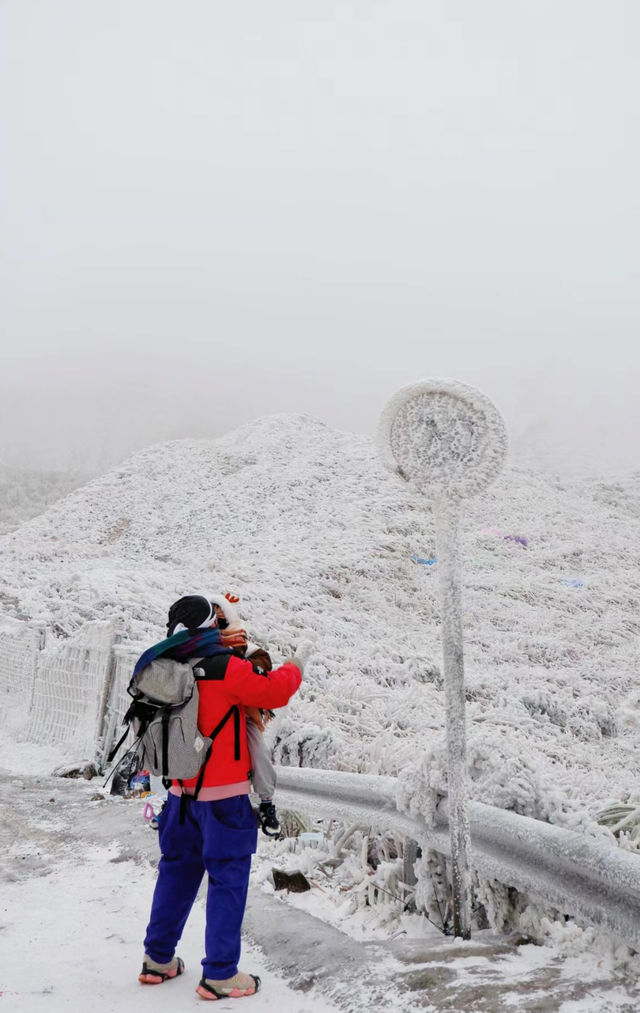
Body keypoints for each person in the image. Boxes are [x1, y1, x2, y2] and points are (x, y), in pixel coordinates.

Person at [138, 593, 310, 1001]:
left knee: (176, 875)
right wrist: (298, 662)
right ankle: (220, 974)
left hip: (179, 795)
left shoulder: (166, 667)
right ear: (208, 628)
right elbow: (274, 692)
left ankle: (158, 959)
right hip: (224, 799)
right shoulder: (226, 669)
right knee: (227, 880)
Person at [209, 595, 282, 838]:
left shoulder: (245, 647)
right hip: (208, 706)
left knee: (258, 749)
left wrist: (235, 667)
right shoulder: (200, 645)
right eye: (214, 617)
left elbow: (263, 663)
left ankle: (267, 801)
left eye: (221, 618)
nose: (218, 623)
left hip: (242, 712)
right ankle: (171, 800)